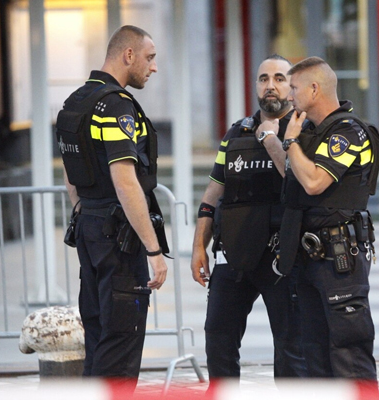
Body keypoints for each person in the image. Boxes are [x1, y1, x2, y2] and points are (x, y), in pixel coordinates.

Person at [56, 25, 169, 390]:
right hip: (117, 236)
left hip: (89, 225)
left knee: (99, 333)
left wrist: (85, 212)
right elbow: (125, 182)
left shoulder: (75, 101)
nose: (153, 68)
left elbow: (71, 177)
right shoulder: (116, 105)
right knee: (121, 339)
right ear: (128, 55)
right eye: (150, 58)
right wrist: (153, 249)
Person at [190, 54, 308, 386]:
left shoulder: (303, 129)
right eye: (263, 78)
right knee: (218, 337)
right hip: (234, 254)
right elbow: (212, 194)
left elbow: (299, 180)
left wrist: (271, 138)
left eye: (280, 79)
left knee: (290, 347)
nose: (270, 85)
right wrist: (199, 245)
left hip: (281, 257)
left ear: (292, 86)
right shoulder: (236, 133)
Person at [277, 56, 379, 382]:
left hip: (339, 261)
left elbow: (314, 182)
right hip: (308, 258)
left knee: (349, 353)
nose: (288, 95)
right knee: (315, 354)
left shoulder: (348, 132)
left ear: (314, 88)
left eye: (293, 88)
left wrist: (291, 142)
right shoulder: (311, 132)